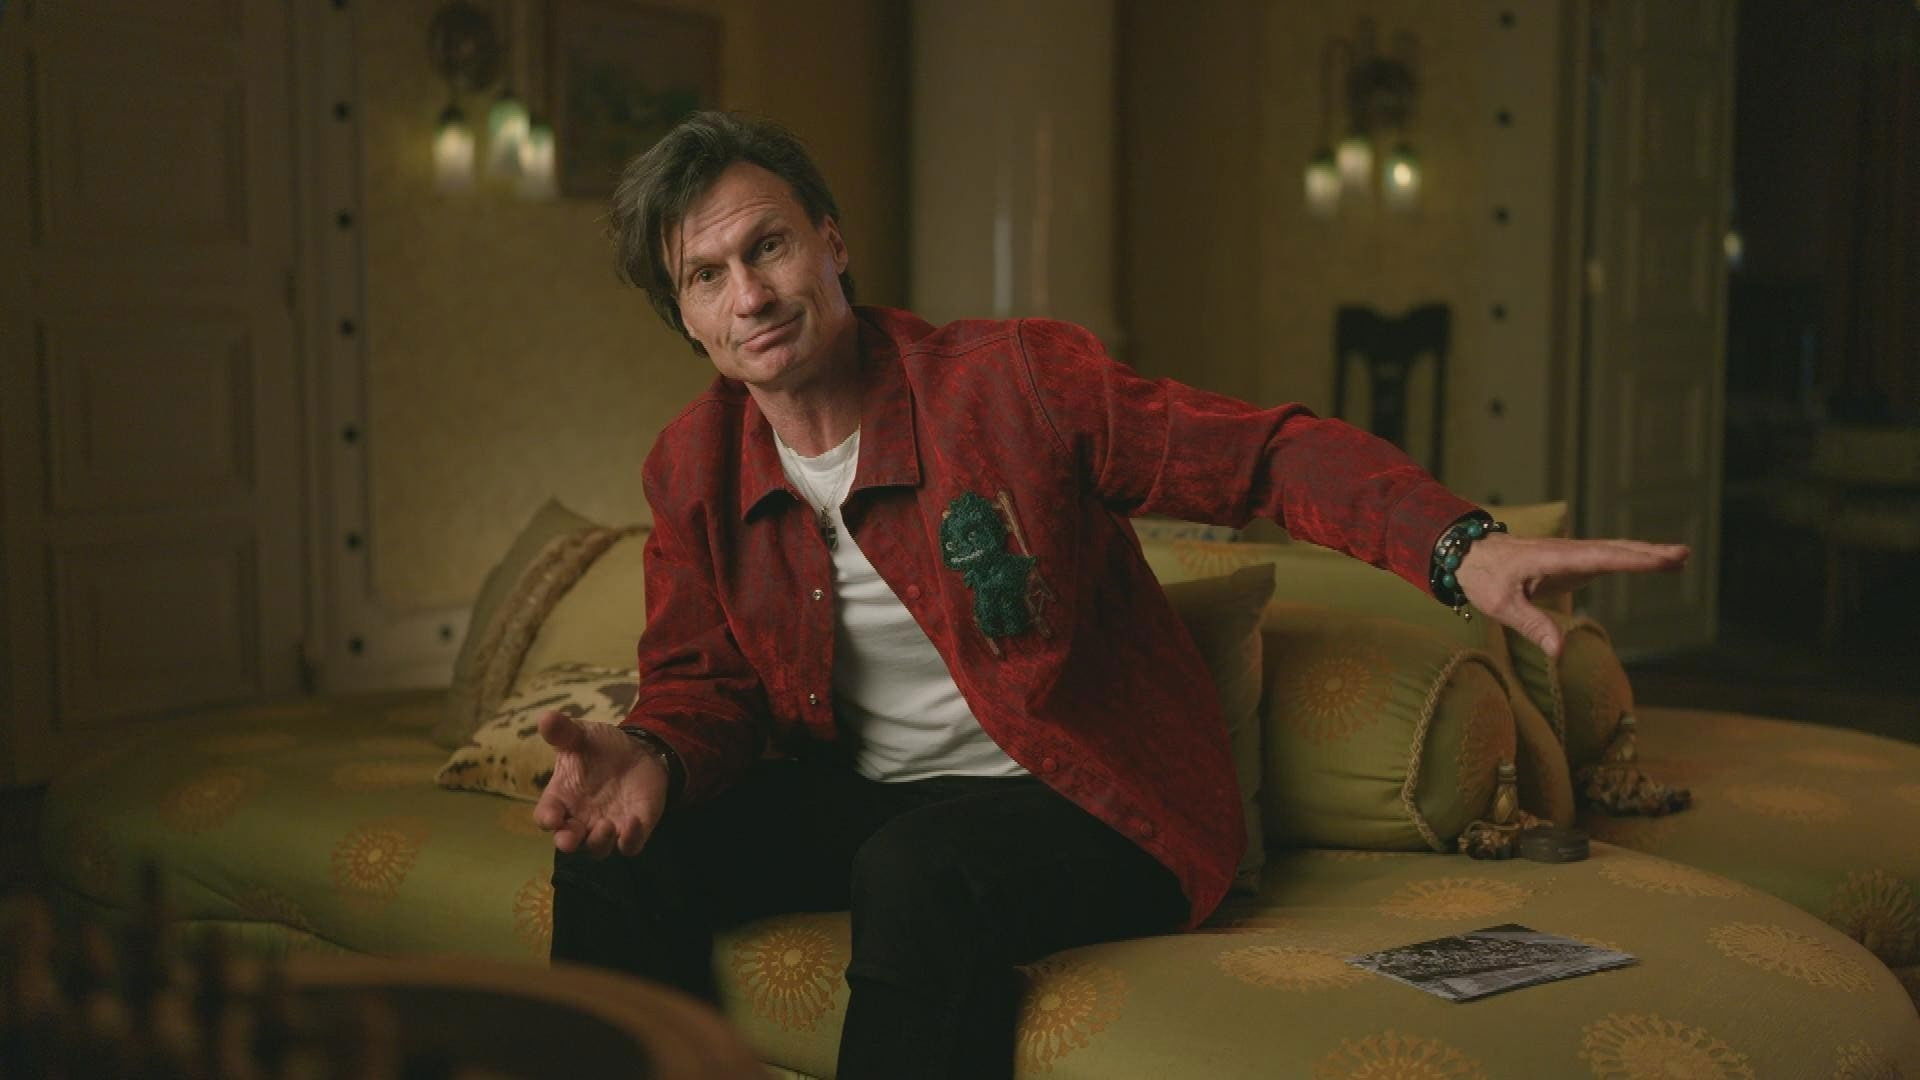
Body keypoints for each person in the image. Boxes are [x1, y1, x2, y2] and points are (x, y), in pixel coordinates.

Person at [534, 110, 1687, 1078]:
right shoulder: (691, 466)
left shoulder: (1011, 383)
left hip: (1095, 799)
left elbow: (1260, 456)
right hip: (880, 800)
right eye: (707, 276)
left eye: (770, 246)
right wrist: (656, 757)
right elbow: (703, 685)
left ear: (832, 243)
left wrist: (1458, 544)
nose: (750, 293)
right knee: (614, 848)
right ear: (686, 317)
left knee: (920, 868)